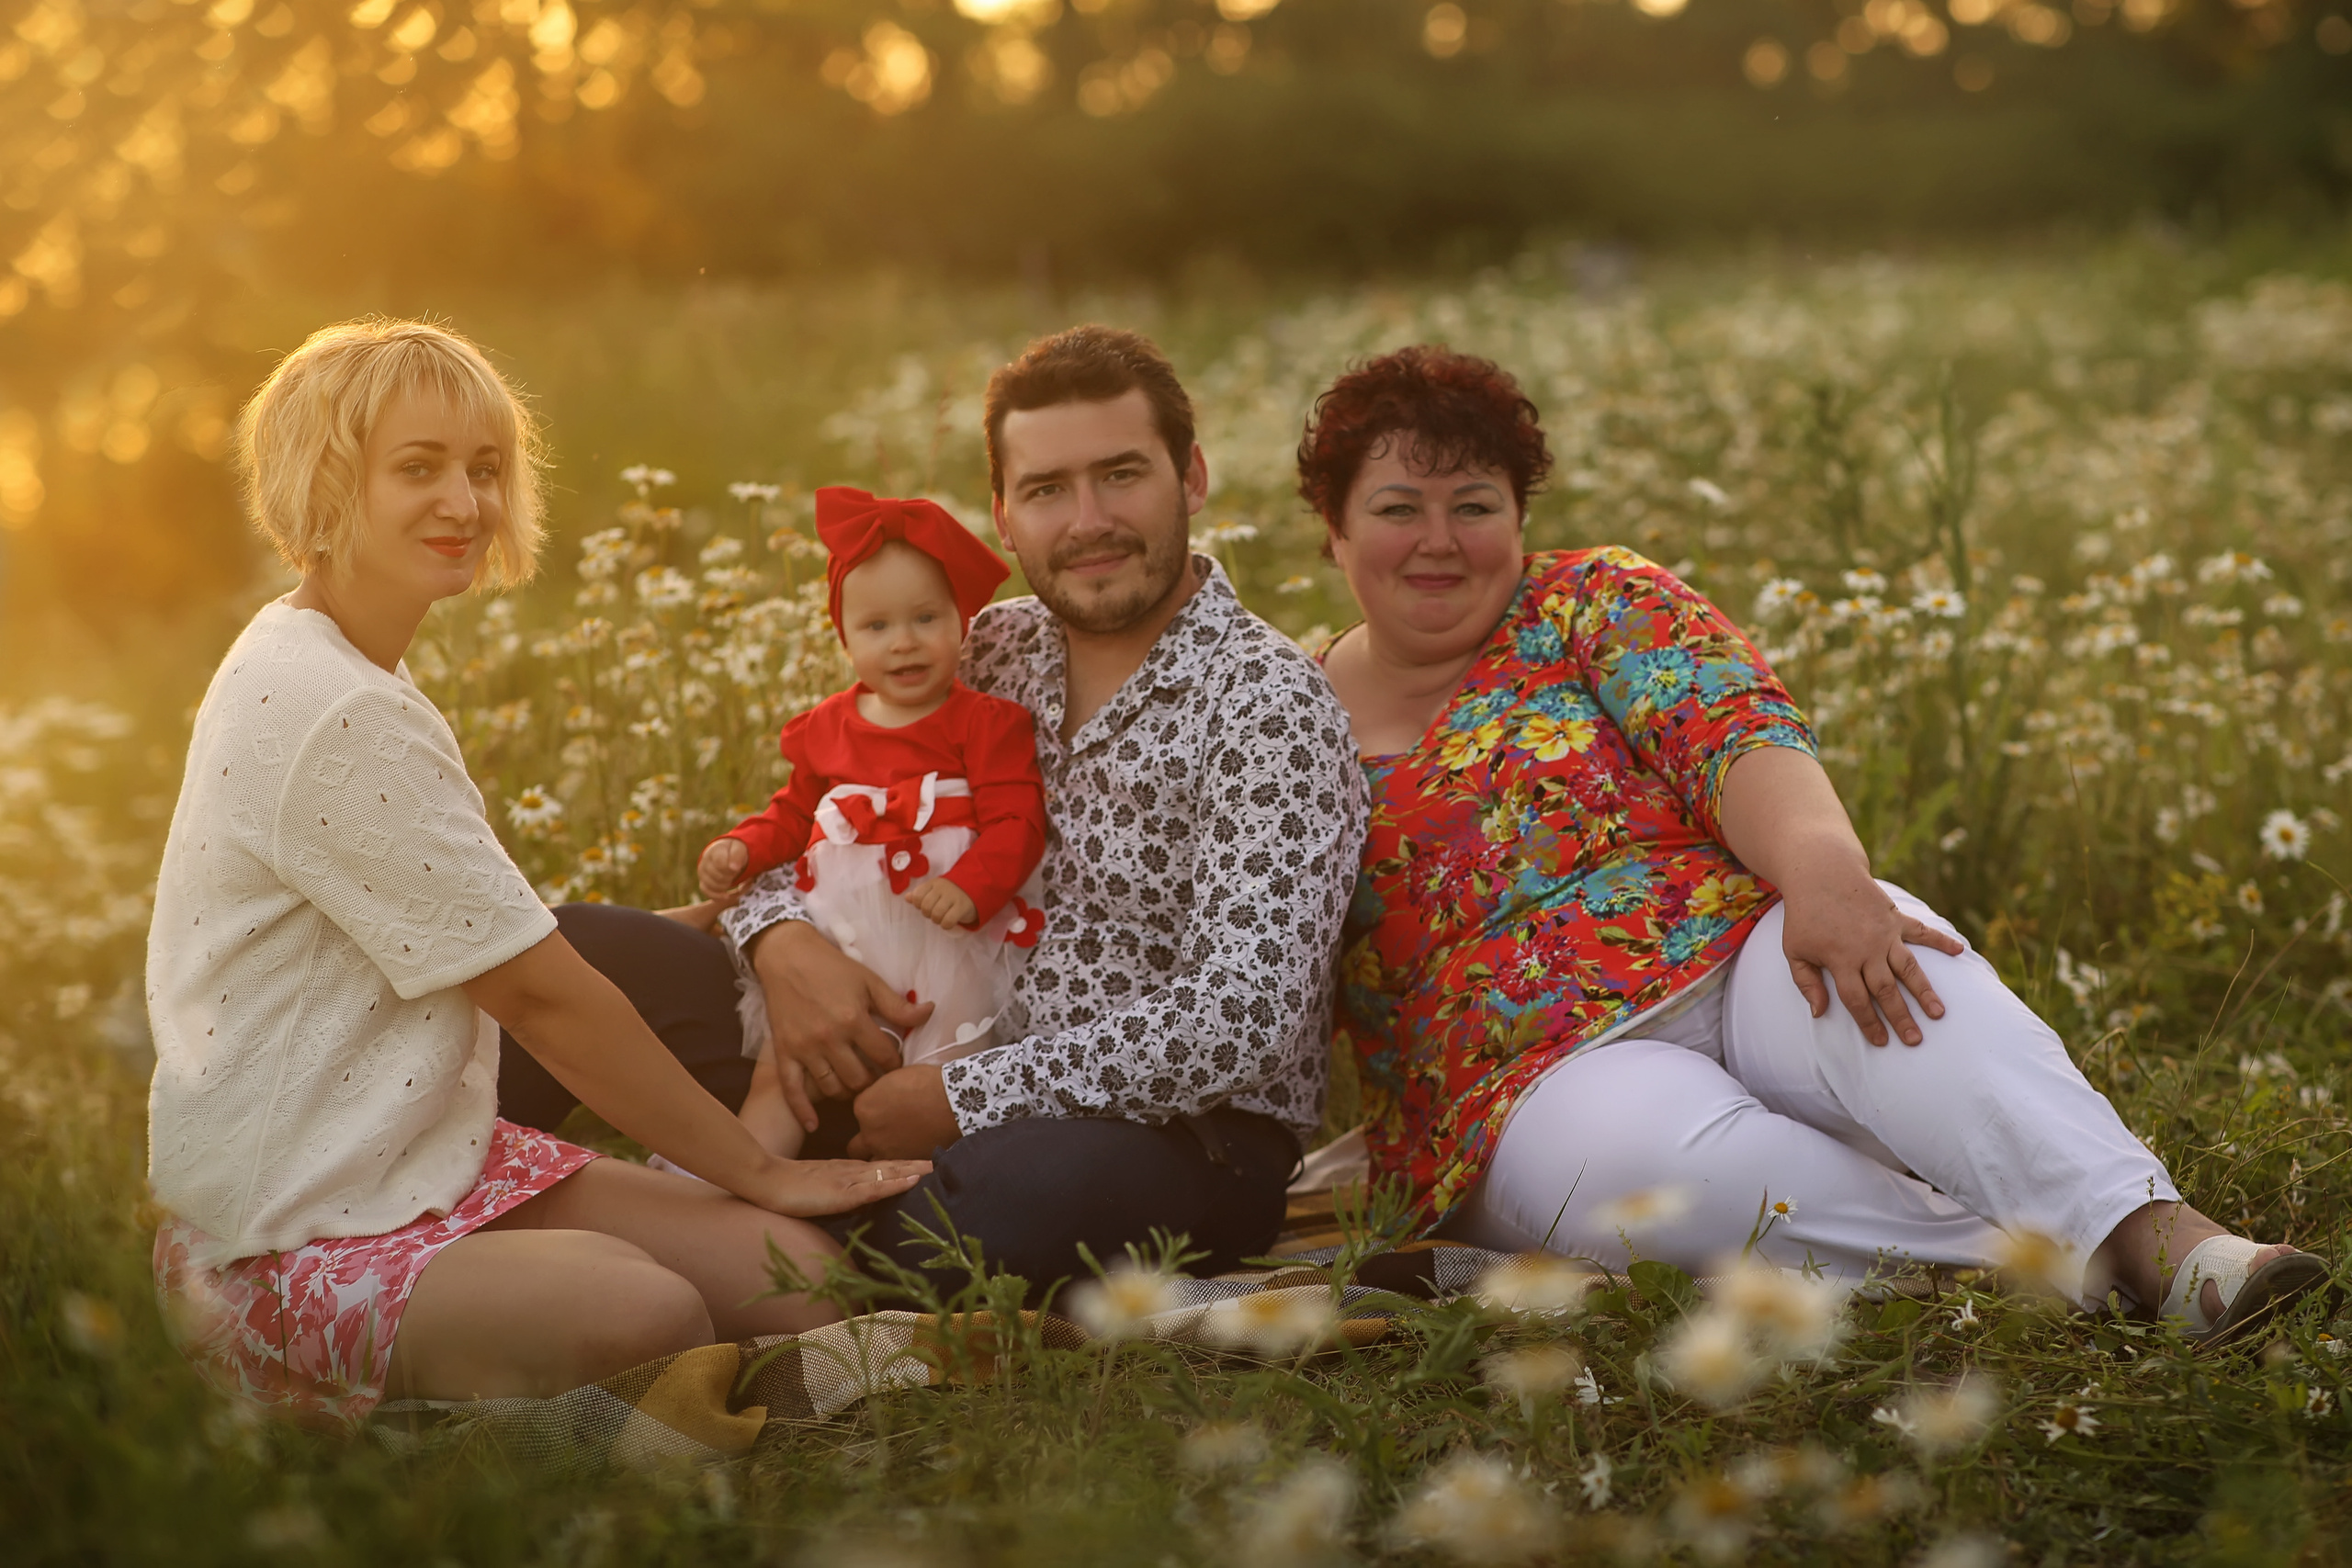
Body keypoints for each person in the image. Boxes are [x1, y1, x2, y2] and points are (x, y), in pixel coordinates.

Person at [1306, 344, 2324, 1341]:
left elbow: (1731, 732)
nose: (1438, 540)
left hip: (1742, 952)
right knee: (1666, 1188)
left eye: (1473, 505)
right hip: (1523, 1086)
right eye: (1398, 509)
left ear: (1517, 517)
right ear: (1334, 531)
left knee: (1899, 972)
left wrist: (1828, 875)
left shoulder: (1591, 602)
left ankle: (2170, 1244)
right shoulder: (1288, 717)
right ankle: (2046, 1270)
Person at [145, 319, 929, 1427]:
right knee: (643, 1315)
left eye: (484, 468)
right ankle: (324, 1410)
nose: (466, 503)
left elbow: (450, 934)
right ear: (326, 481)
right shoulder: (332, 703)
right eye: (419, 469)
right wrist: (763, 1168)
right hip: (286, 1229)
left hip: (421, 1159)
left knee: (793, 1280)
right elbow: (539, 995)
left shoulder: (333, 657)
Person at [508, 326, 1368, 1293]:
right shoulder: (981, 646)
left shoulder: (1268, 701)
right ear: (1002, 514)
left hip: (1146, 1135)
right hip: (868, 1048)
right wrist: (782, 948)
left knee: (1019, 1204)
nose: (1088, 519)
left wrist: (962, 1096)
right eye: (1046, 490)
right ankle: (417, 1228)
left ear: (1193, 477)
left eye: (1121, 475)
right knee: (575, 951)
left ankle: (730, 1228)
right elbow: (811, 825)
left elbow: (1244, 1016)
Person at [695, 486, 1048, 1160]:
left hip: (944, 942)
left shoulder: (982, 722)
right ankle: (744, 1179)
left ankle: (919, 1201)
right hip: (838, 942)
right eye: (878, 626)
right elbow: (794, 813)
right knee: (781, 1073)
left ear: (960, 622)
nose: (905, 642)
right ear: (846, 637)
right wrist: (742, 846)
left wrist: (973, 885)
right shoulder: (827, 726)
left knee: (939, 1072)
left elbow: (1017, 819)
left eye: (926, 617)